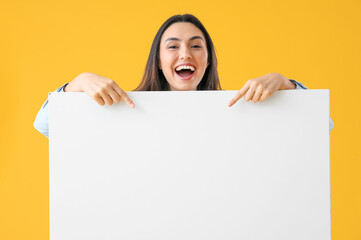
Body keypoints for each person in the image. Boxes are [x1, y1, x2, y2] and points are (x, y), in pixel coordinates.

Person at [34, 14, 334, 138]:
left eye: (196, 46)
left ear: (207, 61)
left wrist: (287, 85)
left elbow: (324, 126)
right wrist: (77, 83)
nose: (185, 54)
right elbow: (44, 125)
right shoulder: (123, 112)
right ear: (160, 62)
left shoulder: (238, 113)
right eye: (173, 46)